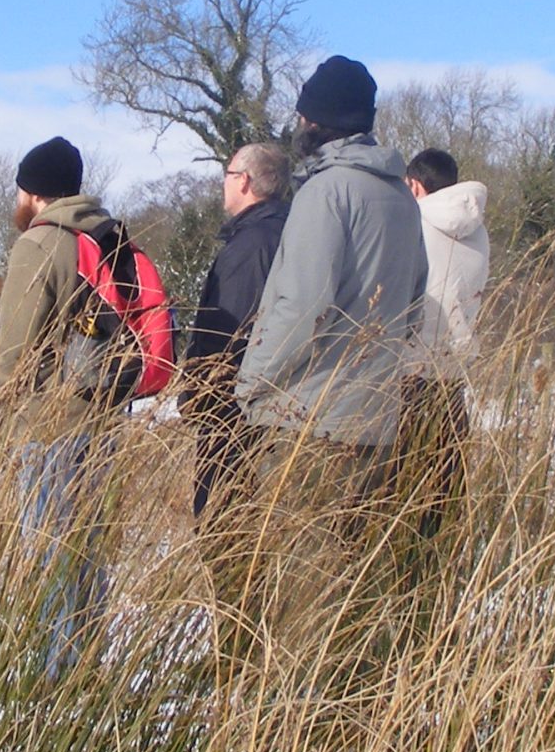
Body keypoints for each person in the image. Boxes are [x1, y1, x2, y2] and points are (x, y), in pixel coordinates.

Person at [219, 55, 427, 701]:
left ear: (321, 122)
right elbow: (415, 306)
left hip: (309, 427)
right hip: (376, 426)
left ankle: (301, 751)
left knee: (300, 603)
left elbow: (298, 308)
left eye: (305, 111)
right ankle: (350, 729)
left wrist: (249, 386)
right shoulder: (400, 201)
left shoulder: (325, 193)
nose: (298, 122)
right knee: (351, 595)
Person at [0, 135, 130, 681]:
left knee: (49, 554)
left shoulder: (39, 243)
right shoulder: (109, 235)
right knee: (89, 555)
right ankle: (88, 670)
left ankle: (53, 682)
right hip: (107, 419)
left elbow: (15, 348)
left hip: (50, 425)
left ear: (33, 193)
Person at [181, 141, 291, 523]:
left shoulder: (249, 246)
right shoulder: (290, 231)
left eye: (227, 176)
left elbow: (227, 337)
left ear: (243, 181)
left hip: (233, 416)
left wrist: (199, 398)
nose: (223, 185)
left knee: (221, 528)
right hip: (275, 409)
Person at [400, 147, 489, 535]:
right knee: (444, 492)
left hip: (409, 373)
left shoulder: (413, 222)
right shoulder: (479, 231)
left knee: (400, 491)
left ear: (415, 185)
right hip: (452, 375)